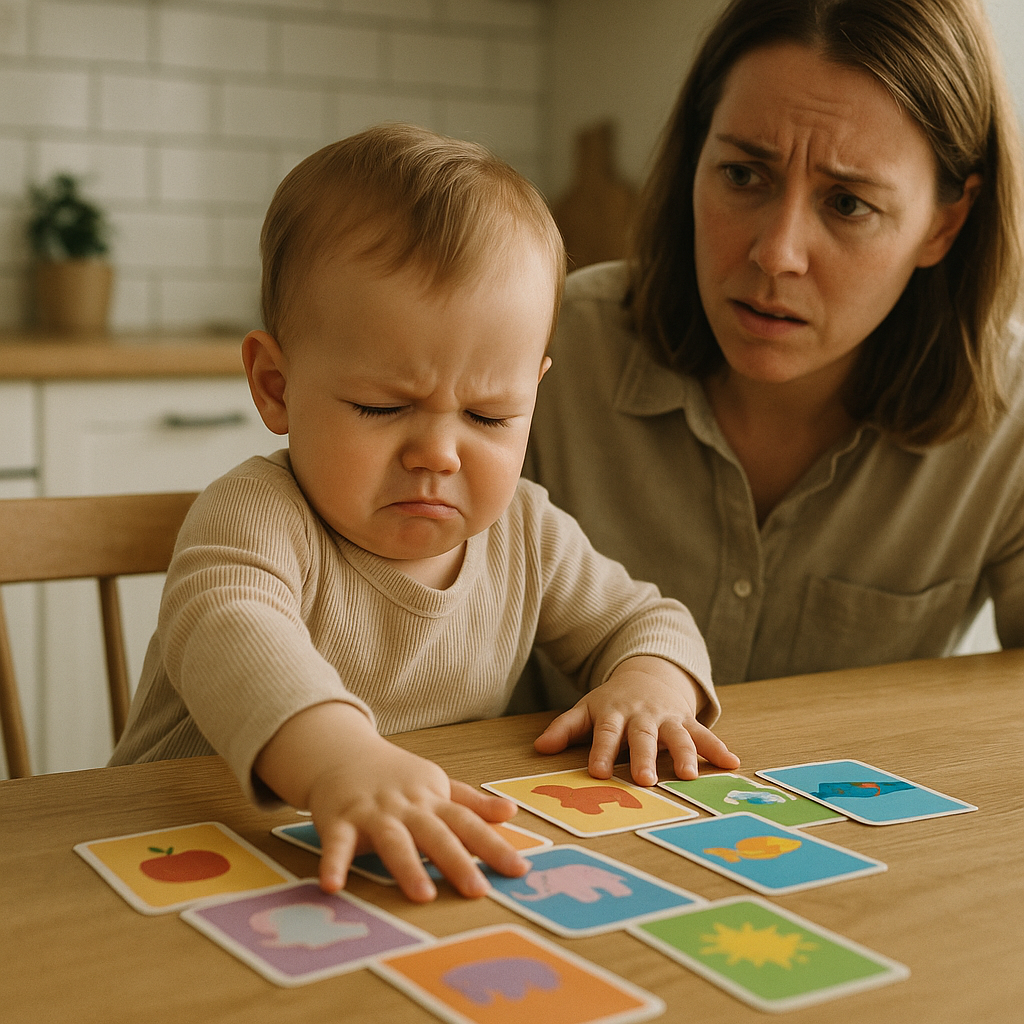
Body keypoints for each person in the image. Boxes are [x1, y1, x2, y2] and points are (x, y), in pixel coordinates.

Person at [110, 124, 738, 904]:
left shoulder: (526, 533)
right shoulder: (255, 515)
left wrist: (652, 683)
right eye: (383, 406)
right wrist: (343, 760)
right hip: (169, 855)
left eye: (489, 415)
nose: (439, 453)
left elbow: (646, 619)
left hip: (378, 861)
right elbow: (233, 632)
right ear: (275, 386)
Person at [523, 0, 1024, 703]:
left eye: (848, 204)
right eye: (742, 175)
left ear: (945, 224)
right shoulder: (555, 348)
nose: (776, 253)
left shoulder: (1011, 414)